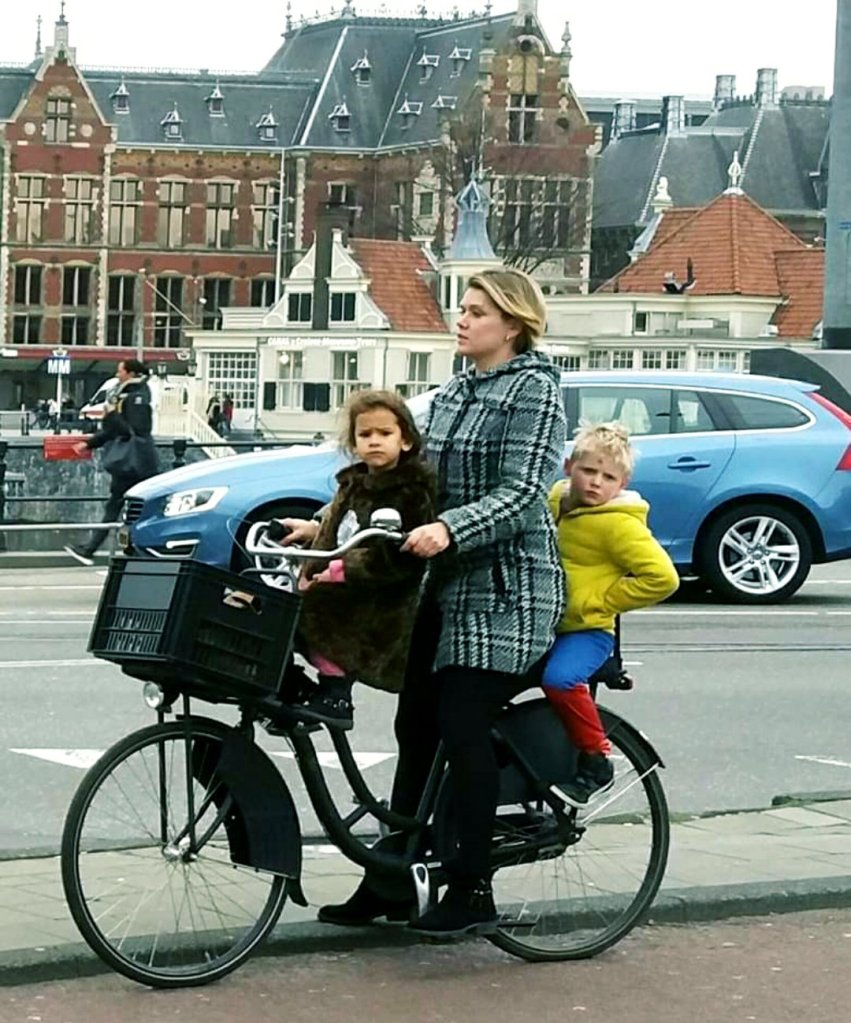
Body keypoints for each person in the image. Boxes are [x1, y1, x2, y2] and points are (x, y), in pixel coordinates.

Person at [308, 268, 567, 939]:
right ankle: (393, 878)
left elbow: (523, 493)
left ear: (512, 325)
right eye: (463, 308)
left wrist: (452, 527)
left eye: (477, 311)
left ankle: (473, 887)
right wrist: (327, 526)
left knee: (460, 722)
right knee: (413, 725)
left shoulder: (534, 389)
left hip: (508, 588)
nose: (462, 319)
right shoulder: (453, 391)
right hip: (444, 585)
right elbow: (403, 478)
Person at [542, 422, 680, 806]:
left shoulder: (619, 523)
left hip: (588, 631)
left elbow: (663, 578)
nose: (595, 483)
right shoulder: (555, 501)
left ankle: (596, 759)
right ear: (569, 467)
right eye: (588, 471)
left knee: (560, 680)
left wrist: (599, 602)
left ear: (623, 483)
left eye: (608, 478)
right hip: (546, 624)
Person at [289, 389, 436, 728]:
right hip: (338, 583)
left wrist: (343, 569)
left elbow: (399, 557)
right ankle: (292, 685)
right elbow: (342, 525)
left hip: (375, 602)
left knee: (314, 614)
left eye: (385, 433)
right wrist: (312, 530)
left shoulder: (410, 490)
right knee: (275, 608)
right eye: (365, 434)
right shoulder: (355, 482)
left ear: (406, 441)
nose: (374, 441)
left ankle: (336, 694)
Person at [64, 359, 159, 566]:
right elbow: (116, 430)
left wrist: (112, 415)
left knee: (119, 506)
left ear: (131, 374)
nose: (117, 375)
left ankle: (92, 549)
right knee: (129, 508)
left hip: (133, 463)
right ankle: (134, 550)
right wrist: (89, 443)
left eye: (120, 371)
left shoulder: (136, 398)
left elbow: (132, 430)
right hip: (135, 462)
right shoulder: (128, 395)